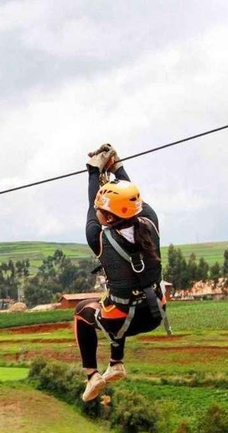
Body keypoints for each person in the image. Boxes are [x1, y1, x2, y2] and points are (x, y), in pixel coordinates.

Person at [75, 143, 167, 402]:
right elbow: (133, 201)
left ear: (108, 216)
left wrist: (93, 172)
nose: (98, 212)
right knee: (118, 299)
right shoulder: (151, 223)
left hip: (122, 320)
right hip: (154, 313)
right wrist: (116, 166)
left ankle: (92, 375)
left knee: (83, 312)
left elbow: (92, 206)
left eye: (102, 210)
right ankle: (115, 363)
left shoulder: (99, 238)